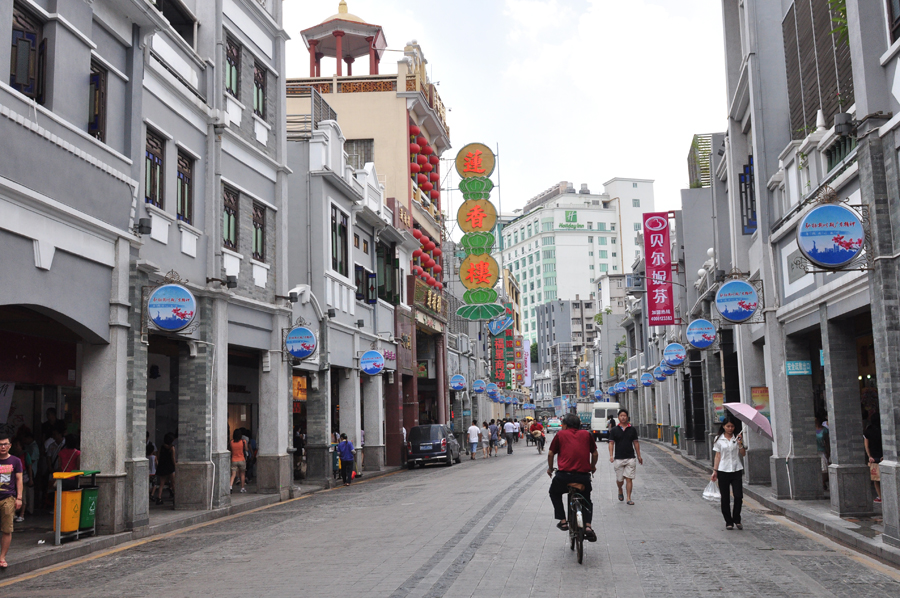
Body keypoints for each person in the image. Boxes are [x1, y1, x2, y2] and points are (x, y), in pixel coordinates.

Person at [546, 413, 598, 542]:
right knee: (587, 499)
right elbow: (595, 453)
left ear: (565, 425)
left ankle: (563, 521)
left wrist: (550, 468)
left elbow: (551, 453)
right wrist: (592, 467)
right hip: (583, 477)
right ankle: (588, 526)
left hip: (563, 477)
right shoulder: (587, 435)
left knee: (554, 493)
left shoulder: (560, 435)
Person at [710, 419, 746, 530]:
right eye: (728, 426)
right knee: (725, 498)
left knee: (738, 496)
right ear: (724, 426)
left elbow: (743, 454)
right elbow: (717, 456)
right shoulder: (718, 439)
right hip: (723, 471)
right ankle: (728, 521)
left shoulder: (738, 438)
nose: (730, 428)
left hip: (736, 469)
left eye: (732, 426)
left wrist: (740, 444)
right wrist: (715, 471)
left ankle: (737, 518)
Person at [608, 409, 642, 505]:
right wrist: (611, 455)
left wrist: (639, 455)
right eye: (621, 415)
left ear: (627, 417)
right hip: (618, 458)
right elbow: (611, 443)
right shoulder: (614, 430)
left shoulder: (632, 429)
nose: (623, 417)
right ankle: (620, 489)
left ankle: (628, 498)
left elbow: (636, 442)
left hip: (630, 457)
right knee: (620, 480)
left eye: (625, 415)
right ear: (618, 417)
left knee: (629, 478)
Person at [0, 433, 23, 569]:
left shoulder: (15, 461)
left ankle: (2, 557)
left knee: (7, 529)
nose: (2, 447)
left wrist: (19, 498)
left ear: (10, 446)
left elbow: (19, 480)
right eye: (0, 444)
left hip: (8, 498)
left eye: (5, 444)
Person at [865, 413, 883, 504]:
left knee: (876, 479)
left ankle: (880, 496)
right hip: (883, 457)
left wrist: (869, 456)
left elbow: (867, 446)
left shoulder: (868, 431)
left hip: (874, 457)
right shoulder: (883, 430)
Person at [154, 433, 176, 505]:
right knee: (173, 483)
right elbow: (173, 458)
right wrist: (175, 465)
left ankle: (159, 497)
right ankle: (176, 497)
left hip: (162, 466)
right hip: (170, 467)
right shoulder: (172, 448)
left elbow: (159, 456)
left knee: (161, 483)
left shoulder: (161, 447)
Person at [815, 416, 830, 491]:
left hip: (822, 450)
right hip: (814, 451)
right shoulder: (811, 430)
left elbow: (827, 441)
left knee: (824, 468)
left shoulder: (824, 430)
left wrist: (828, 452)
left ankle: (823, 482)